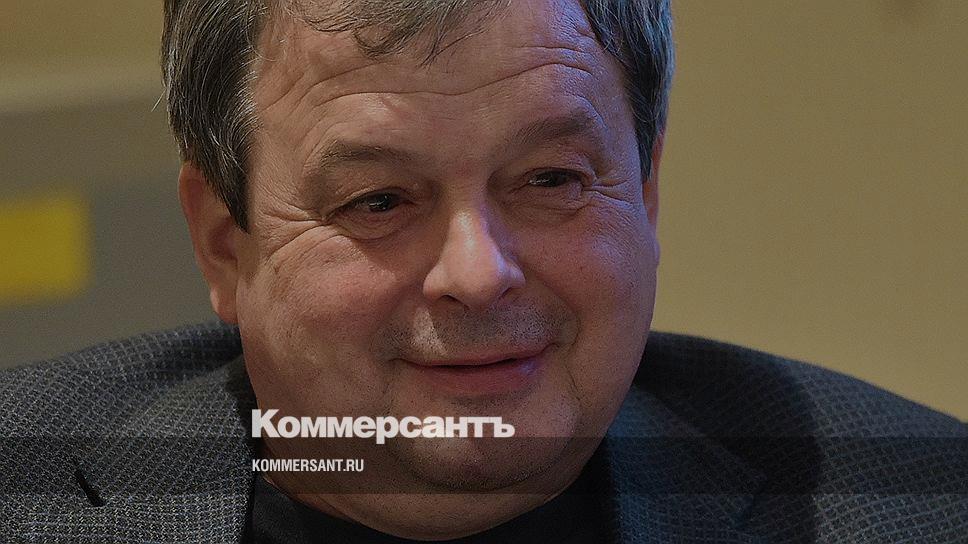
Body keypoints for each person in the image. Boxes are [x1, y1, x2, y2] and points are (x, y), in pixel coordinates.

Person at [1, 0, 965, 542]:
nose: (478, 272)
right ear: (224, 239)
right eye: (379, 200)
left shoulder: (918, 508)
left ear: (647, 195)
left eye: (551, 179)